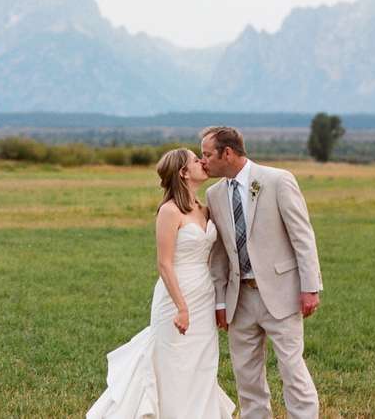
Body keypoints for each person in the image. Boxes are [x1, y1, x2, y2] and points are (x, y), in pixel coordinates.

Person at [87, 148, 235, 418]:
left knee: (200, 364)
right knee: (173, 364)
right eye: (195, 160)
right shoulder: (169, 211)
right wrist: (182, 308)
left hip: (204, 294)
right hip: (176, 296)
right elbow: (164, 264)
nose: (202, 162)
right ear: (183, 172)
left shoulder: (205, 209)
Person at [200, 126, 323, 419]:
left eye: (206, 154)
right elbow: (218, 255)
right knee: (247, 377)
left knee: (292, 370)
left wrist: (310, 287)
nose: (202, 161)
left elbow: (302, 236)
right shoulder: (214, 194)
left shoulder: (277, 180)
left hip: (283, 294)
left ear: (226, 153)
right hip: (238, 300)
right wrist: (220, 302)